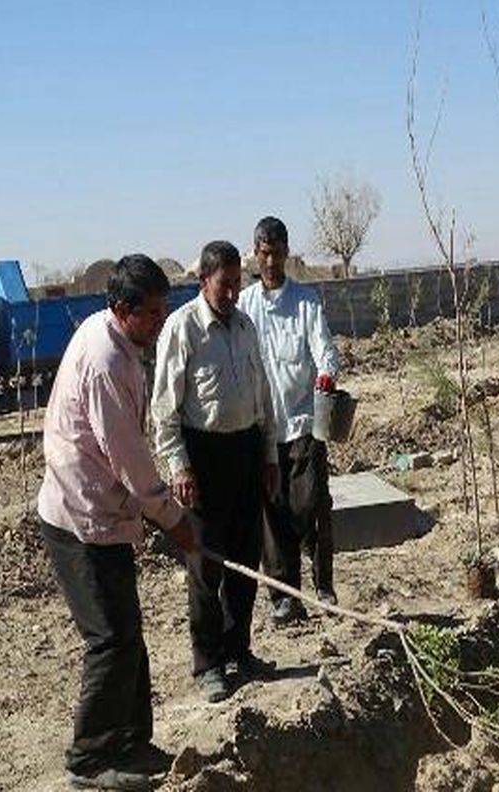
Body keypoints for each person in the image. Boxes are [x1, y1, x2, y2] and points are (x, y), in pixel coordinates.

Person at [37, 254, 198, 791]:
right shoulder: (105, 359)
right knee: (110, 638)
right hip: (80, 518)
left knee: (129, 631)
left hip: (104, 510)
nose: (159, 322)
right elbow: (130, 460)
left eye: (162, 310)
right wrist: (174, 520)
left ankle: (130, 741)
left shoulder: (120, 342)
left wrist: (153, 513)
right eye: (150, 313)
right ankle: (89, 759)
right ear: (120, 309)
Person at [151, 239, 280, 703]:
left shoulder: (245, 327)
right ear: (204, 281)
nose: (231, 294)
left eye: (236, 284)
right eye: (223, 285)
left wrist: (267, 455)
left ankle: (238, 650)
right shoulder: (182, 329)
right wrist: (178, 464)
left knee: (246, 558)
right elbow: (164, 408)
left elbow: (262, 399)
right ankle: (208, 662)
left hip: (245, 451)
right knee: (206, 563)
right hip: (202, 459)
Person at [238, 216, 342, 624]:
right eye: (263, 253)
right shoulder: (245, 305)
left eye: (276, 253)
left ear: (285, 252)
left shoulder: (305, 301)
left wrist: (325, 374)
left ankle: (323, 584)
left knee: (312, 503)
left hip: (302, 423)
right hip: (263, 428)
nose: (270, 261)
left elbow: (326, 350)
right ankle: (284, 594)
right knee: (272, 511)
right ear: (256, 253)